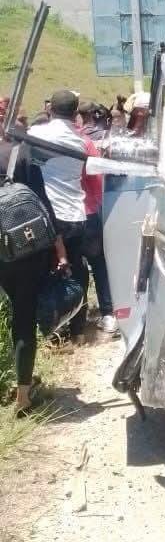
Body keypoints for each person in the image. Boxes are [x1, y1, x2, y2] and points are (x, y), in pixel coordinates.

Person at [0, 116, 67, 412]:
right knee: (23, 318)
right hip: (22, 251)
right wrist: (60, 249)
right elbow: (42, 205)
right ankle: (24, 397)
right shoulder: (20, 153)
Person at [27, 89, 90, 338]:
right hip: (77, 212)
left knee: (50, 272)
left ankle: (55, 328)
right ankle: (78, 326)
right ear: (75, 114)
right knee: (77, 268)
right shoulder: (80, 140)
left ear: (49, 109)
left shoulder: (38, 134)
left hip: (50, 216)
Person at [77, 102, 117, 335]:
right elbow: (98, 180)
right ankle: (108, 313)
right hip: (89, 211)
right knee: (99, 264)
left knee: (73, 266)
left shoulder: (44, 140)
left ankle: (76, 320)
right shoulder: (86, 143)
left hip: (59, 216)